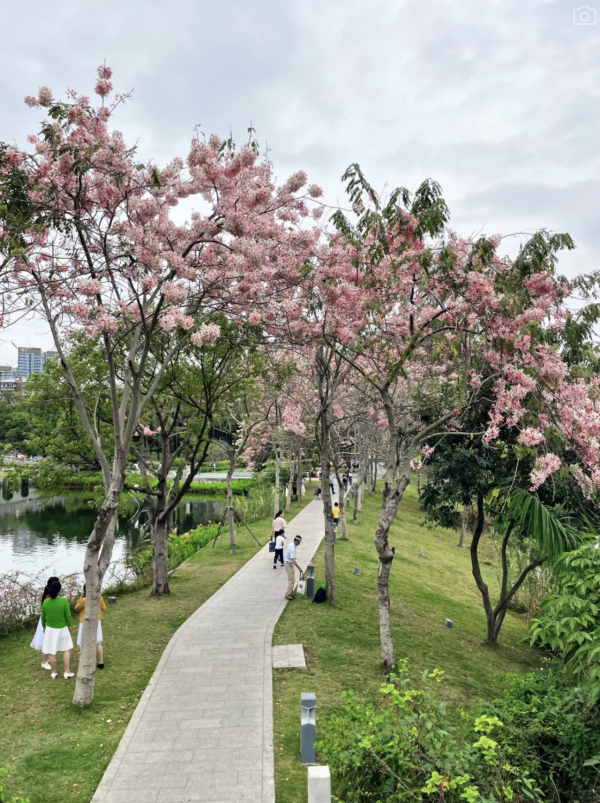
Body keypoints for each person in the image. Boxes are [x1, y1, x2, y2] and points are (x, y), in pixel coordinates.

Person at [41, 580, 74, 680]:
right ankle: (66, 671)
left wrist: (44, 626)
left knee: (51, 651)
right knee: (66, 649)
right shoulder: (64, 601)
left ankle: (53, 672)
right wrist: (70, 625)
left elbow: (43, 616)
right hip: (62, 628)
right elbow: (68, 615)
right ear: (59, 590)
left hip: (50, 629)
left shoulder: (46, 602)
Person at [74, 585, 107, 669]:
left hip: (85, 622)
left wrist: (80, 598)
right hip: (96, 621)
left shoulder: (84, 600)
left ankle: (85, 661)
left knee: (84, 642)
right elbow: (103, 608)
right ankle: (101, 661)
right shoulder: (99, 597)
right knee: (97, 642)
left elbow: (76, 607)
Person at [31, 575, 59, 670]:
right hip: (46, 620)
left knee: (48, 640)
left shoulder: (48, 595)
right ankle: (44, 661)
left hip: (47, 619)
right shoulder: (48, 597)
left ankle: (47, 659)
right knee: (45, 640)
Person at [284, 535, 304, 600]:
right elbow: (293, 559)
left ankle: (291, 593)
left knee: (292, 579)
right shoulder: (292, 548)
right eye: (299, 542)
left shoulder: (291, 544)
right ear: (296, 541)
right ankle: (288, 594)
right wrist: (299, 568)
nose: (299, 543)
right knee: (291, 580)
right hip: (289, 563)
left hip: (289, 563)